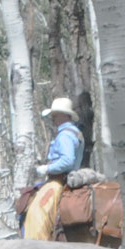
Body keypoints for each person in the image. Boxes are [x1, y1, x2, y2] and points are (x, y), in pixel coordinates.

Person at [23, 97, 85, 241]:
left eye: (56, 114)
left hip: (58, 179)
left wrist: (47, 168)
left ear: (65, 115)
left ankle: (36, 245)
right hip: (67, 176)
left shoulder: (64, 135)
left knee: (37, 212)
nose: (53, 118)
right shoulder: (74, 132)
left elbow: (67, 160)